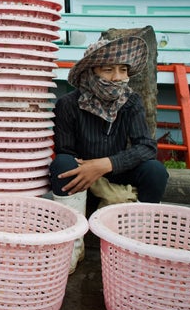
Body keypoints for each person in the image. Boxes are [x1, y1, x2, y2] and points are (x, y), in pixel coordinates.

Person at [49, 36, 169, 273]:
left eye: (123, 70)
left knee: (155, 171)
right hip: (82, 179)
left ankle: (138, 244)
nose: (117, 77)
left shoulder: (131, 102)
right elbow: (66, 150)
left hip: (116, 172)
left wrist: (105, 164)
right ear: (92, 72)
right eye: (108, 69)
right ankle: (72, 246)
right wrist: (90, 170)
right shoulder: (68, 104)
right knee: (62, 163)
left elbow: (146, 146)